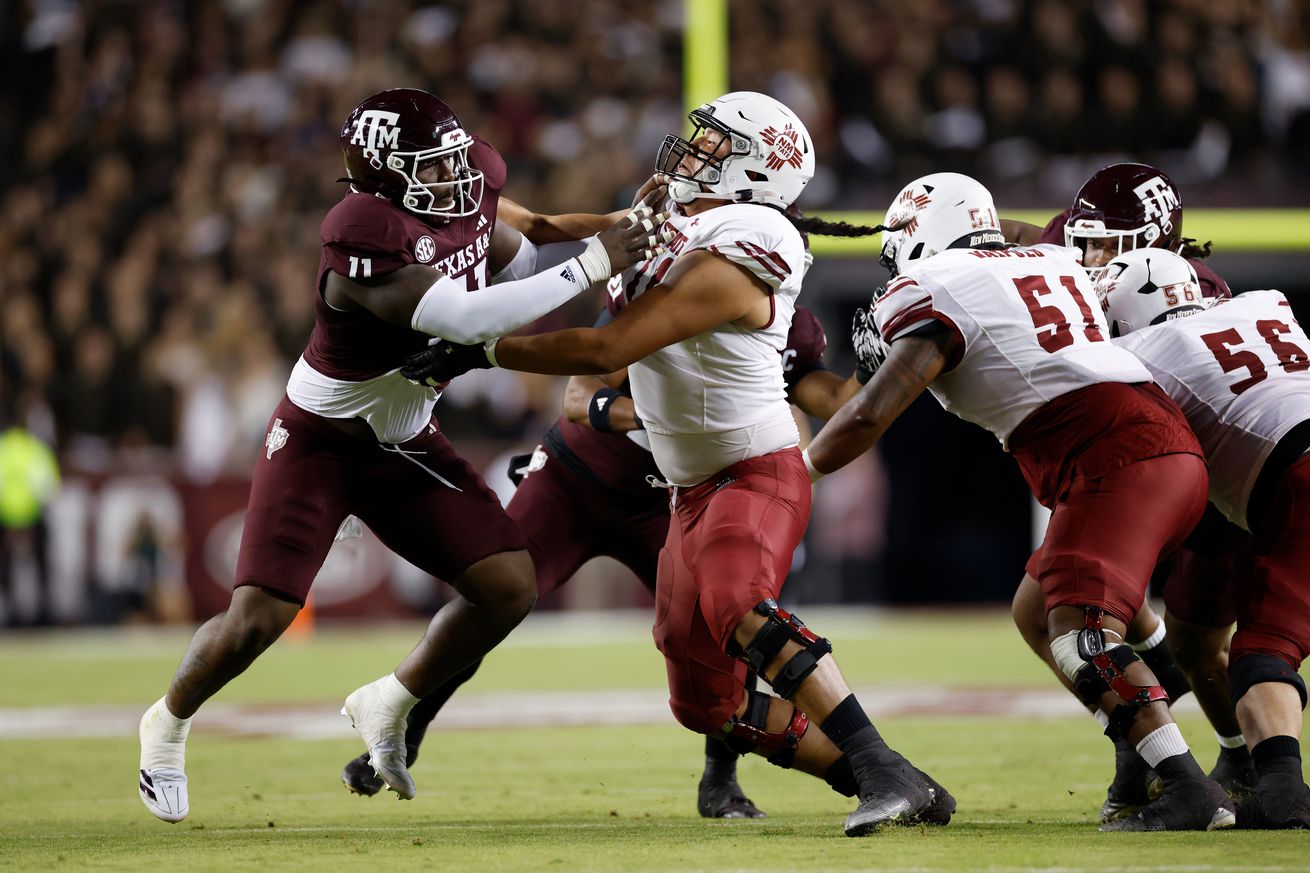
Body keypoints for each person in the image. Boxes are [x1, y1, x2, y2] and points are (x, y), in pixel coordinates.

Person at [401, 91, 954, 836]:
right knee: (704, 702)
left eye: (715, 146)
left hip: (752, 469)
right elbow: (554, 234)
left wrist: (482, 350)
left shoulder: (748, 247)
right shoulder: (687, 228)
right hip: (687, 489)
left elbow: (607, 349)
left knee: (737, 603)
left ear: (759, 173)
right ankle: (887, 777)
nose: (691, 155)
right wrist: (458, 199)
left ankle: (881, 768)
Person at [136, 88, 667, 823]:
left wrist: (614, 227)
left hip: (404, 440)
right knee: (258, 618)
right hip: (323, 441)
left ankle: (391, 702)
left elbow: (521, 254)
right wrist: (596, 262)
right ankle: (166, 721)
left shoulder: (463, 194)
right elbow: (463, 315)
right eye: (432, 166)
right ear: (382, 177)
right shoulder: (362, 233)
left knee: (509, 584)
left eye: (454, 159)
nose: (456, 176)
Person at [806, 171, 1234, 832]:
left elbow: (865, 417)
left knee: (1080, 632)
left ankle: (1187, 785)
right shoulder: (1055, 256)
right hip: (1160, 443)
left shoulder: (938, 283)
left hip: (1115, 456)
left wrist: (794, 470)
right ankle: (1141, 746)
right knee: (1036, 609)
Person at [341, 301, 861, 819]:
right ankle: (404, 731)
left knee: (728, 622)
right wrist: (658, 417)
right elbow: (578, 394)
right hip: (577, 478)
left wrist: (879, 359)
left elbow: (837, 401)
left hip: (675, 497)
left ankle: (720, 781)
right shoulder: (668, 289)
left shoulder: (784, 322)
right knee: (493, 597)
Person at [1002, 162, 1255, 820]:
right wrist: (969, 231)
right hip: (1134, 471)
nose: (1088, 257)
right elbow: (1043, 236)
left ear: (1160, 245)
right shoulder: (1084, 248)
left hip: (1199, 477)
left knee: (1192, 640)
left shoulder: (1190, 291)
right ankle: (1144, 738)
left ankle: (1239, 760)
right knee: (1046, 608)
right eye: (1083, 241)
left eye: (1106, 246)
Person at [1098, 247, 1310, 829]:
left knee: (1262, 654)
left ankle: (1283, 792)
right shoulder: (1262, 305)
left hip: (1295, 479)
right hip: (1278, 479)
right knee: (1220, 635)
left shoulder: (1137, 351)